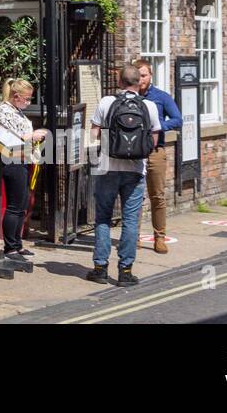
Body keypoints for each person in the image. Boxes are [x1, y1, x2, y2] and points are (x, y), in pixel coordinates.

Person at [87, 64, 161, 286]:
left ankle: (100, 269)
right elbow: (153, 140)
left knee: (103, 218)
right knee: (130, 221)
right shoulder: (149, 106)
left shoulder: (106, 103)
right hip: (135, 170)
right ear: (139, 82)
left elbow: (93, 134)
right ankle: (125, 272)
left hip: (107, 168)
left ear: (119, 82)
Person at [0, 78, 49, 263]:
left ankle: (17, 244)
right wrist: (32, 135)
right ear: (16, 96)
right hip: (12, 161)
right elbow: (11, 137)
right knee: (15, 206)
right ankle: (10, 248)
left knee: (22, 204)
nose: (28, 102)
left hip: (23, 159)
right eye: (26, 98)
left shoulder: (16, 110)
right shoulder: (4, 111)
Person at [133, 58, 182, 254]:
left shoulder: (161, 97)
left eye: (144, 75)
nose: (141, 79)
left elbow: (178, 119)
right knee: (133, 196)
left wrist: (160, 126)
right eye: (137, 76)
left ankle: (159, 237)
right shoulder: (130, 97)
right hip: (134, 153)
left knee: (157, 196)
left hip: (155, 151)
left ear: (150, 75)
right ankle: (132, 237)